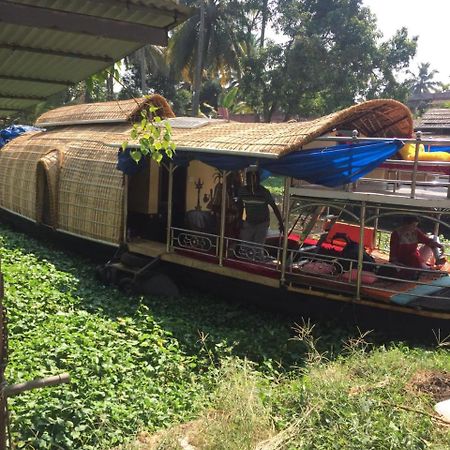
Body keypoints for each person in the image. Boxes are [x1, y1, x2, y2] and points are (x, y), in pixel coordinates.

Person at [237, 167, 284, 246]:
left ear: (258, 180)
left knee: (258, 246)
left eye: (255, 180)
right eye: (250, 180)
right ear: (247, 180)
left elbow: (274, 208)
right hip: (249, 222)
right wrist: (239, 220)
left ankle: (257, 256)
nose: (252, 183)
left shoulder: (264, 192)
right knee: (245, 244)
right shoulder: (242, 191)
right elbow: (240, 205)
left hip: (262, 223)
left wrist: (281, 223)